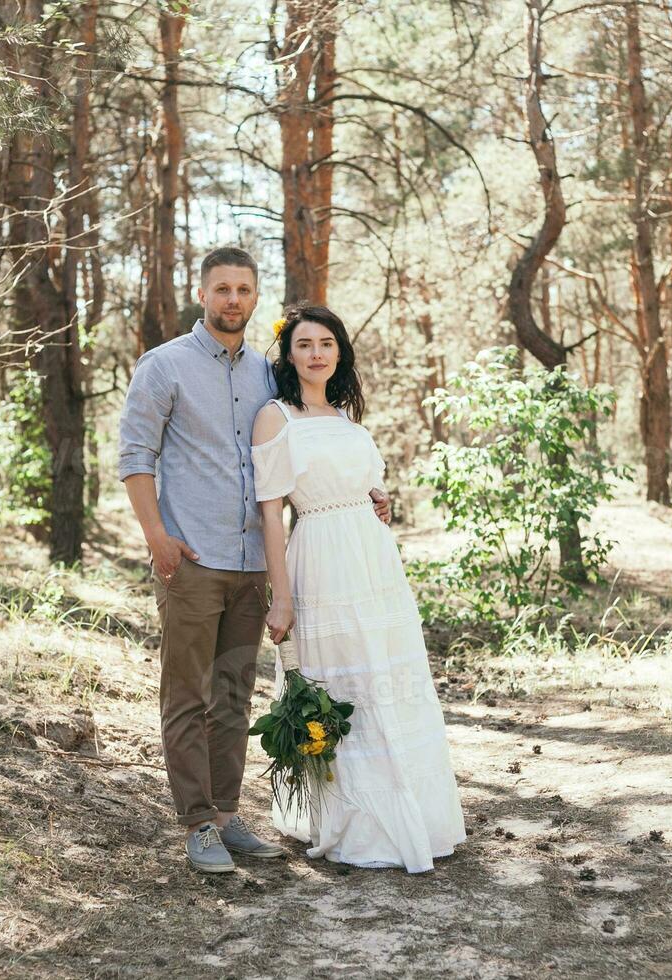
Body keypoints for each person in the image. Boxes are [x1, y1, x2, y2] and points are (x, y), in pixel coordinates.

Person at [118, 248, 391, 873]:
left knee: (235, 694)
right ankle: (196, 825)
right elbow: (136, 457)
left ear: (256, 295)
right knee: (188, 693)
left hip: (254, 563)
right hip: (192, 557)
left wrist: (361, 491)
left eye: (243, 288)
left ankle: (226, 815)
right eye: (221, 288)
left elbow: (302, 450)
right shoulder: (164, 367)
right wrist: (157, 538)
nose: (232, 299)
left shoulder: (268, 377)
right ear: (202, 292)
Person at [252, 303, 465, 873]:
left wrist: (378, 500)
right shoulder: (276, 417)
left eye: (326, 343)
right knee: (340, 679)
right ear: (289, 354)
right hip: (318, 556)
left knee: (385, 677)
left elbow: (365, 486)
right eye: (304, 345)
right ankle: (354, 821)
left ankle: (412, 811)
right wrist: (282, 595)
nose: (316, 353)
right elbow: (271, 513)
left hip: (373, 562)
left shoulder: (347, 418)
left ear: (339, 351)